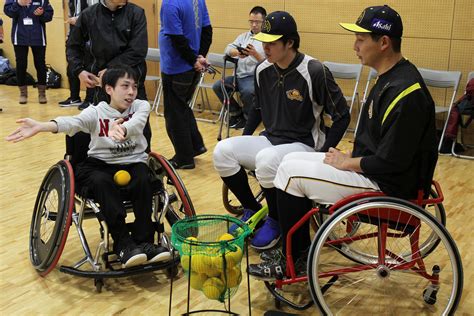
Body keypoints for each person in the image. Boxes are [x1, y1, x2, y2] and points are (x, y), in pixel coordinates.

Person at [248, 5, 438, 280]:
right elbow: (386, 147)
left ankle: (294, 259)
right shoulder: (392, 79)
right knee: (285, 161)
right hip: (376, 174)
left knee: (290, 174)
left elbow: (392, 161)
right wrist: (350, 155)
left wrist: (348, 161)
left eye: (361, 40)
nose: (354, 46)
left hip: (386, 189)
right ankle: (295, 251)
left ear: (383, 42)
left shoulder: (406, 92)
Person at [6, 66, 171, 268]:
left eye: (134, 87)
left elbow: (137, 124)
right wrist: (42, 126)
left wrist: (122, 128)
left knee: (144, 178)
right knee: (102, 182)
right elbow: (72, 123)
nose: (131, 92)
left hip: (133, 163)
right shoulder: (96, 112)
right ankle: (122, 243)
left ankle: (144, 241)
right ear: (109, 89)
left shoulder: (141, 106)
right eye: (125, 86)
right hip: (99, 165)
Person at [213, 11, 350, 250]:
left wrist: (326, 151)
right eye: (264, 41)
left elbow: (342, 115)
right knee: (223, 151)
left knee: (266, 160)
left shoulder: (315, 70)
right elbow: (256, 109)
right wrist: (244, 139)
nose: (265, 47)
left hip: (305, 143)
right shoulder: (262, 70)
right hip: (272, 139)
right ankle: (253, 210)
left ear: (290, 43)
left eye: (272, 43)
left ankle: (276, 221)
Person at [66, 0, 152, 149]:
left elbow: (138, 50)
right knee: (104, 133)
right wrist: (79, 71)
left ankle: (144, 164)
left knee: (140, 130)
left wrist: (111, 70)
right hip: (103, 88)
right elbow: (73, 46)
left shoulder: (136, 13)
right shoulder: (89, 14)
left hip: (130, 83)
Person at [159, 0, 213, 170]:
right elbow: (207, 30)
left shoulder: (170, 3)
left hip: (176, 67)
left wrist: (193, 59)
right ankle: (196, 146)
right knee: (182, 108)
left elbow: (177, 38)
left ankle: (184, 158)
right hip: (193, 65)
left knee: (174, 113)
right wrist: (200, 57)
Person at [211, 6, 266, 129]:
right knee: (218, 86)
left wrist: (255, 54)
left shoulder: (267, 40)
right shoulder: (243, 36)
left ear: (264, 22)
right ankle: (236, 113)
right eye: (251, 21)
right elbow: (227, 49)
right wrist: (237, 53)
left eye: (257, 22)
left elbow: (269, 63)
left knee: (247, 91)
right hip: (239, 75)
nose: (254, 25)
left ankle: (248, 118)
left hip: (254, 77)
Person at [4, 0, 54, 104]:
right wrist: (18, 4)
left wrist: (42, 14)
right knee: (21, 64)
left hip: (38, 37)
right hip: (20, 37)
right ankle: (23, 93)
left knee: (40, 64)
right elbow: (9, 12)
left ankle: (42, 93)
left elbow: (49, 16)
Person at [58, 0, 93, 109]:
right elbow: (70, 18)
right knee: (72, 68)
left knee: (89, 68)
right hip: (75, 37)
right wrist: (69, 35)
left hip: (90, 38)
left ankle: (90, 99)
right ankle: (74, 97)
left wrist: (78, 20)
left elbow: (96, 16)